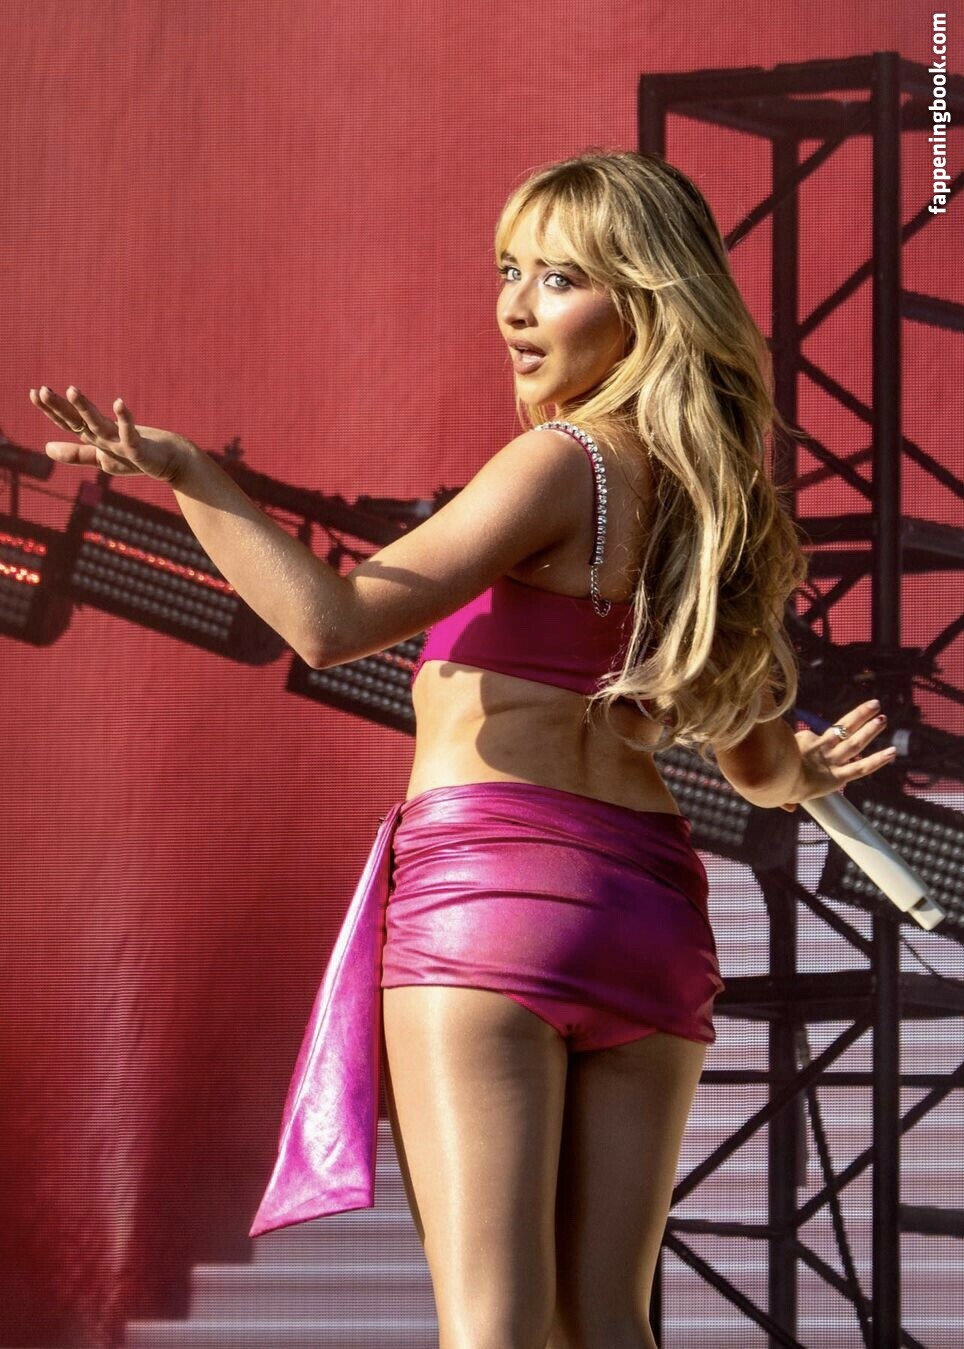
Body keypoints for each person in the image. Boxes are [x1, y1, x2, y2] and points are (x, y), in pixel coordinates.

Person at [30, 149, 895, 1349]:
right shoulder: (714, 502)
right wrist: (808, 771)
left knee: (493, 1326)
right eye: (508, 271)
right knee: (607, 1321)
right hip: (650, 915)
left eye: (560, 278)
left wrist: (188, 474)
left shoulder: (562, 462)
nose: (516, 308)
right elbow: (756, 766)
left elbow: (331, 623)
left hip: (497, 895)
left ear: (645, 301)